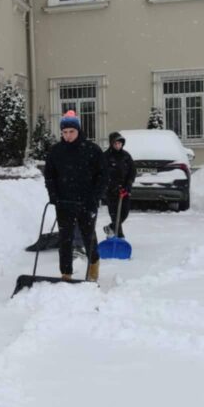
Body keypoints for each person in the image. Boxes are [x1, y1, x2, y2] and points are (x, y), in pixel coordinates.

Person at [43, 110, 105, 281]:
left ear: (78, 131)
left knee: (88, 236)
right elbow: (49, 176)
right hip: (64, 203)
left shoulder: (92, 150)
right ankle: (66, 273)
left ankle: (93, 264)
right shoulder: (56, 152)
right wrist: (53, 195)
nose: (68, 136)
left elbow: (102, 176)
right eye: (64, 132)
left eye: (71, 132)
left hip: (86, 202)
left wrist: (95, 197)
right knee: (65, 239)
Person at [103, 131, 136, 238]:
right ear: (111, 144)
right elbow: (102, 174)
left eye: (119, 143)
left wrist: (128, 186)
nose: (118, 145)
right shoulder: (106, 157)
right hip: (111, 192)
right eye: (115, 143)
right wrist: (111, 187)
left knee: (124, 213)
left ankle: (111, 228)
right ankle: (120, 236)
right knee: (114, 215)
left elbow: (132, 172)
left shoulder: (126, 156)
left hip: (125, 190)